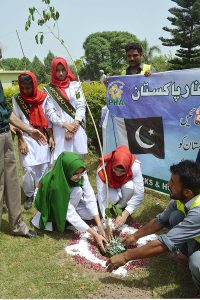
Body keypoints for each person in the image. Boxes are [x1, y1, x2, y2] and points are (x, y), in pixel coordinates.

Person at [106, 160, 200, 295]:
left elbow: (164, 243)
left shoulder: (198, 211)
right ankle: (186, 255)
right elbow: (160, 221)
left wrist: (125, 257)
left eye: (173, 183)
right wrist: (134, 236)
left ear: (187, 192)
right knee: (175, 216)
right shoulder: (183, 200)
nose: (168, 185)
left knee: (196, 262)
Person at [0, 49, 46, 237]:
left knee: (11, 181)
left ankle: (17, 224)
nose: (1, 58)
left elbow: (6, 113)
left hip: (4, 135)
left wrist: (29, 130)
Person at [32, 151, 107, 252]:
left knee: (89, 213)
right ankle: (60, 222)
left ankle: (67, 220)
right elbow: (69, 211)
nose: (79, 176)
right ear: (67, 170)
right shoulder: (56, 185)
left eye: (81, 173)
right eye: (76, 174)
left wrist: (99, 225)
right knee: (77, 191)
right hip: (50, 207)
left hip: (67, 202)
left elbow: (90, 197)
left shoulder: (80, 173)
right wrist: (95, 234)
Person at [12, 71, 54, 210]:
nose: (25, 90)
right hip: (27, 139)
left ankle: (40, 192)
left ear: (34, 85)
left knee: (43, 168)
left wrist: (51, 137)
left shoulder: (43, 97)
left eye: (28, 87)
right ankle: (29, 195)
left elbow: (48, 120)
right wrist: (21, 141)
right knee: (28, 169)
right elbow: (16, 121)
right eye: (22, 87)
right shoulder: (17, 99)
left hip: (41, 138)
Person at [44, 57, 87, 163]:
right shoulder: (48, 90)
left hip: (77, 129)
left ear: (67, 69)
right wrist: (66, 125)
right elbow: (50, 112)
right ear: (53, 71)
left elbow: (81, 105)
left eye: (63, 70)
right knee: (62, 162)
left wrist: (74, 125)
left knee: (78, 163)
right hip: (60, 131)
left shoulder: (76, 86)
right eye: (57, 70)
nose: (61, 73)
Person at [96, 145, 144, 234]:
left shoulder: (134, 167)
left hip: (124, 185)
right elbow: (101, 195)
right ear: (112, 164)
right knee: (112, 198)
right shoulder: (103, 168)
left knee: (130, 187)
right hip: (110, 188)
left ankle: (121, 208)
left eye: (122, 171)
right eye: (115, 169)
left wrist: (126, 213)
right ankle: (110, 208)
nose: (118, 174)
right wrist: (107, 222)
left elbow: (140, 193)